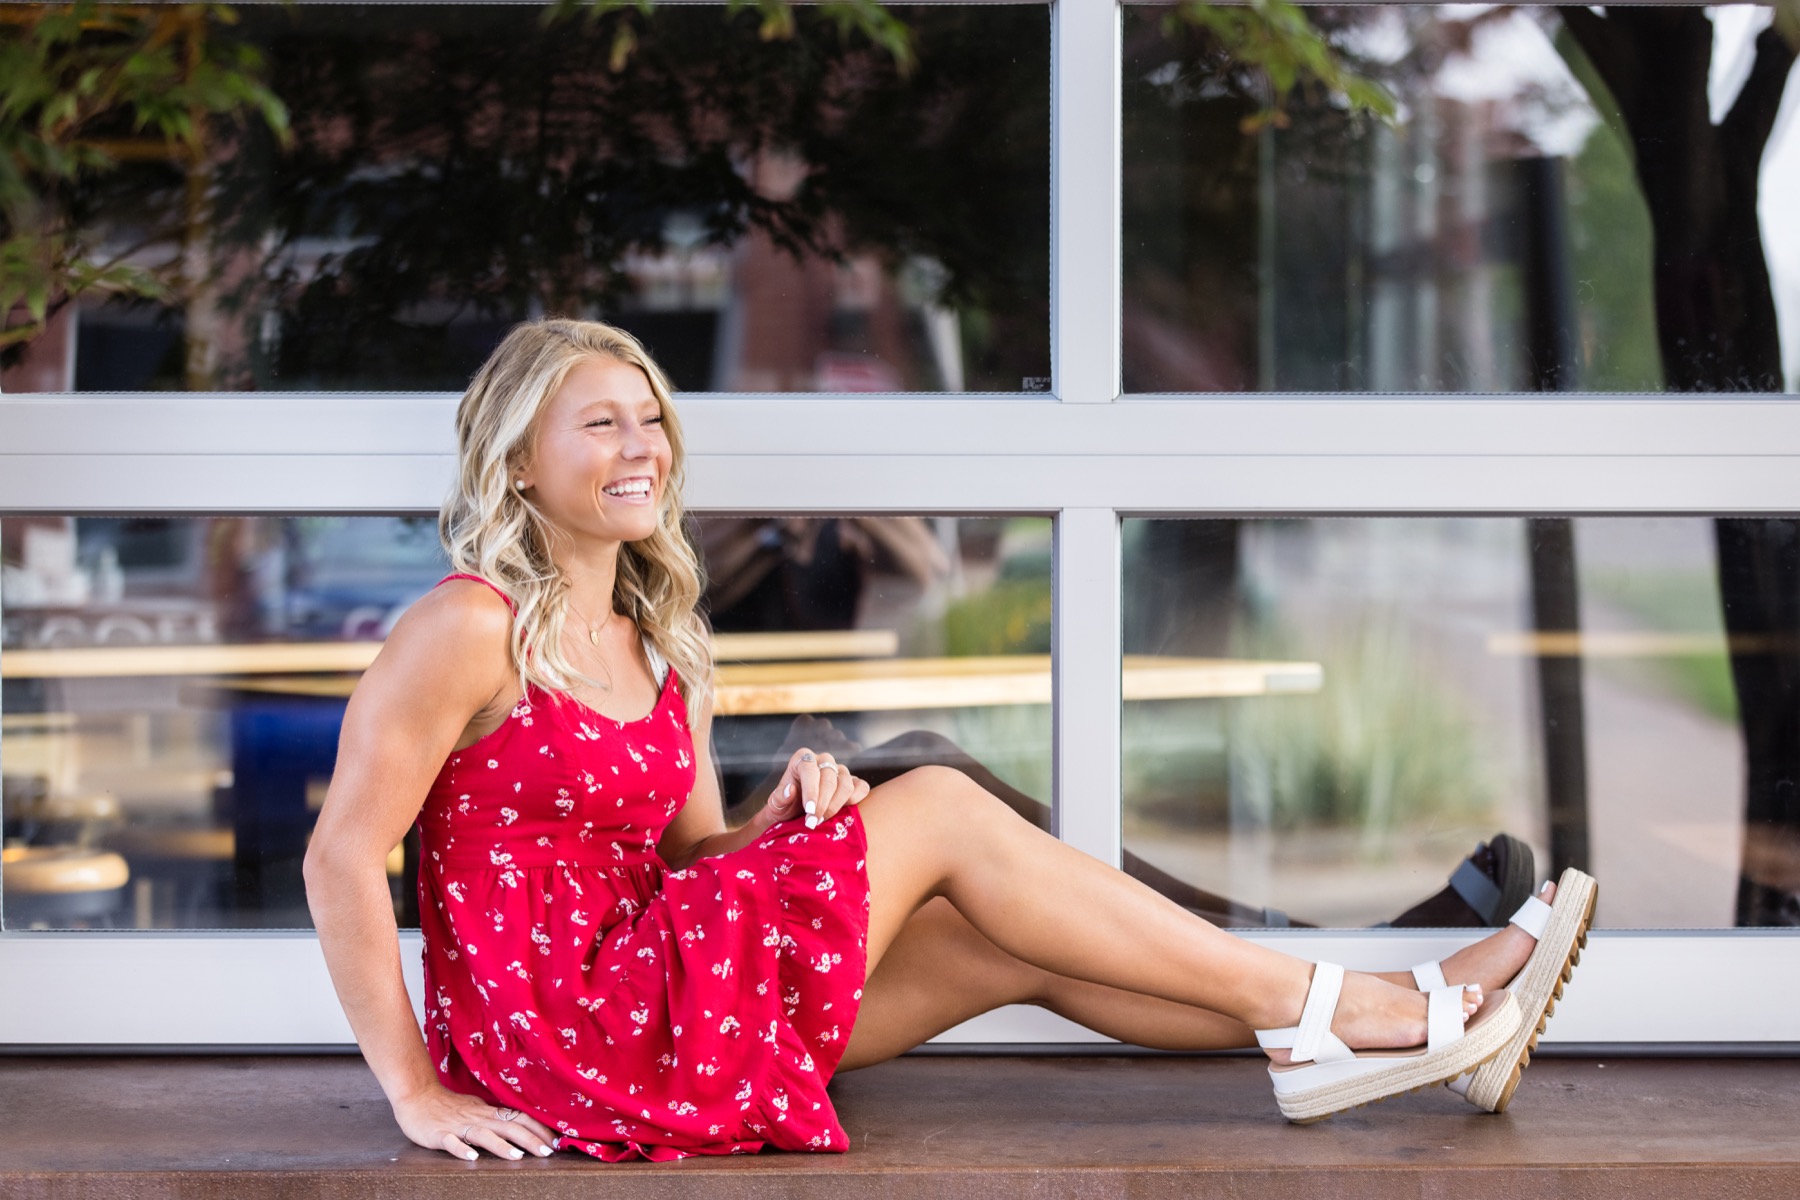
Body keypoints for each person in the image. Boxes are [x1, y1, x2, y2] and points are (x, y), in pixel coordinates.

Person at [303, 318, 1597, 1162]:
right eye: (601, 423)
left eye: (651, 421)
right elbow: (341, 860)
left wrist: (780, 828)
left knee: (996, 947)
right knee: (935, 798)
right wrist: (414, 1093)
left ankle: (1394, 1032)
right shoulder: (469, 628)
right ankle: (1370, 1004)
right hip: (567, 1030)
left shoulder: (660, 645)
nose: (641, 446)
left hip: (665, 992)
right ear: (519, 461)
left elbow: (691, 861)